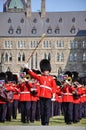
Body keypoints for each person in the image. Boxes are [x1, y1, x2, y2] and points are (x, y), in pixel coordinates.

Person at [23, 59, 57, 125]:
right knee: (42, 110)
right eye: (44, 70)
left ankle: (46, 122)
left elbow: (54, 87)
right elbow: (33, 74)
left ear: (49, 70)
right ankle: (43, 122)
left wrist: (53, 96)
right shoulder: (40, 77)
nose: (45, 72)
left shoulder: (52, 78)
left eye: (46, 70)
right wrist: (27, 68)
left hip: (48, 96)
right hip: (41, 96)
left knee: (47, 110)